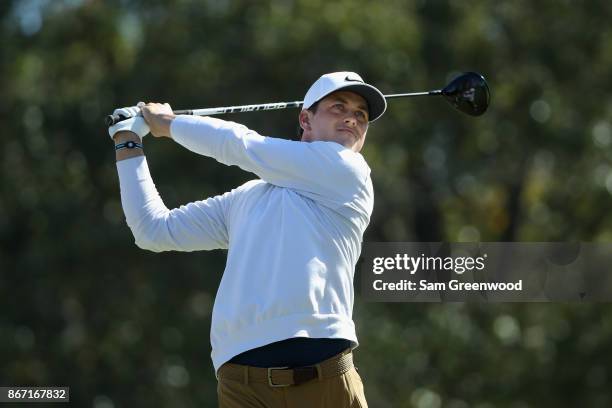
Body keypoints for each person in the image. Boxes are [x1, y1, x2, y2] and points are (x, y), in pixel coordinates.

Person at [109, 71, 386, 407]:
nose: (352, 119)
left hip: (321, 370)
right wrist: (127, 141)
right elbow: (154, 229)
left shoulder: (350, 172)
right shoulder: (246, 198)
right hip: (241, 383)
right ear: (305, 119)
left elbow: (241, 145)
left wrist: (169, 123)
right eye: (338, 107)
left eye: (361, 114)